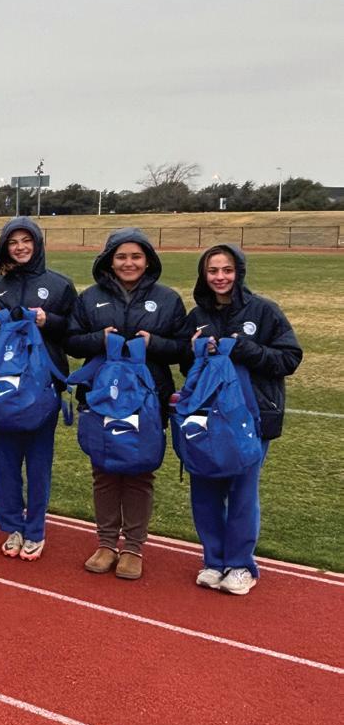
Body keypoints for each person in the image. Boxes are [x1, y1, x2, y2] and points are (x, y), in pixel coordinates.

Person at [180, 244, 300, 595]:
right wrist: (194, 351)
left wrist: (245, 349)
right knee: (205, 491)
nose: (220, 277)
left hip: (251, 417)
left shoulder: (263, 311)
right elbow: (187, 368)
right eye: (213, 271)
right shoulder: (197, 316)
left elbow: (290, 358)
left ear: (239, 272)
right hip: (207, 419)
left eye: (227, 270)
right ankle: (213, 560)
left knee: (243, 492)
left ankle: (241, 565)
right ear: (204, 275)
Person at [66, 229, 186, 580]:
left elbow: (183, 349)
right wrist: (98, 339)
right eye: (121, 257)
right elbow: (71, 341)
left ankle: (133, 546)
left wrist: (155, 344)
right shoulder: (90, 298)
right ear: (109, 260)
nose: (128, 263)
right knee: (103, 471)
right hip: (102, 397)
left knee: (139, 472)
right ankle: (106, 543)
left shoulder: (167, 299)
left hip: (148, 400)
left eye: (136, 256)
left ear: (148, 260)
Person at [0, 217, 77, 561]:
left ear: (37, 244)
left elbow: (74, 333)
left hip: (42, 387)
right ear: (5, 247)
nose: (20, 247)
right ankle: (12, 526)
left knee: (38, 462)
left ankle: (35, 528)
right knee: (6, 463)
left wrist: (46, 321)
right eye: (13, 242)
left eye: (26, 240)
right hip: (5, 386)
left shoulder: (59, 285)